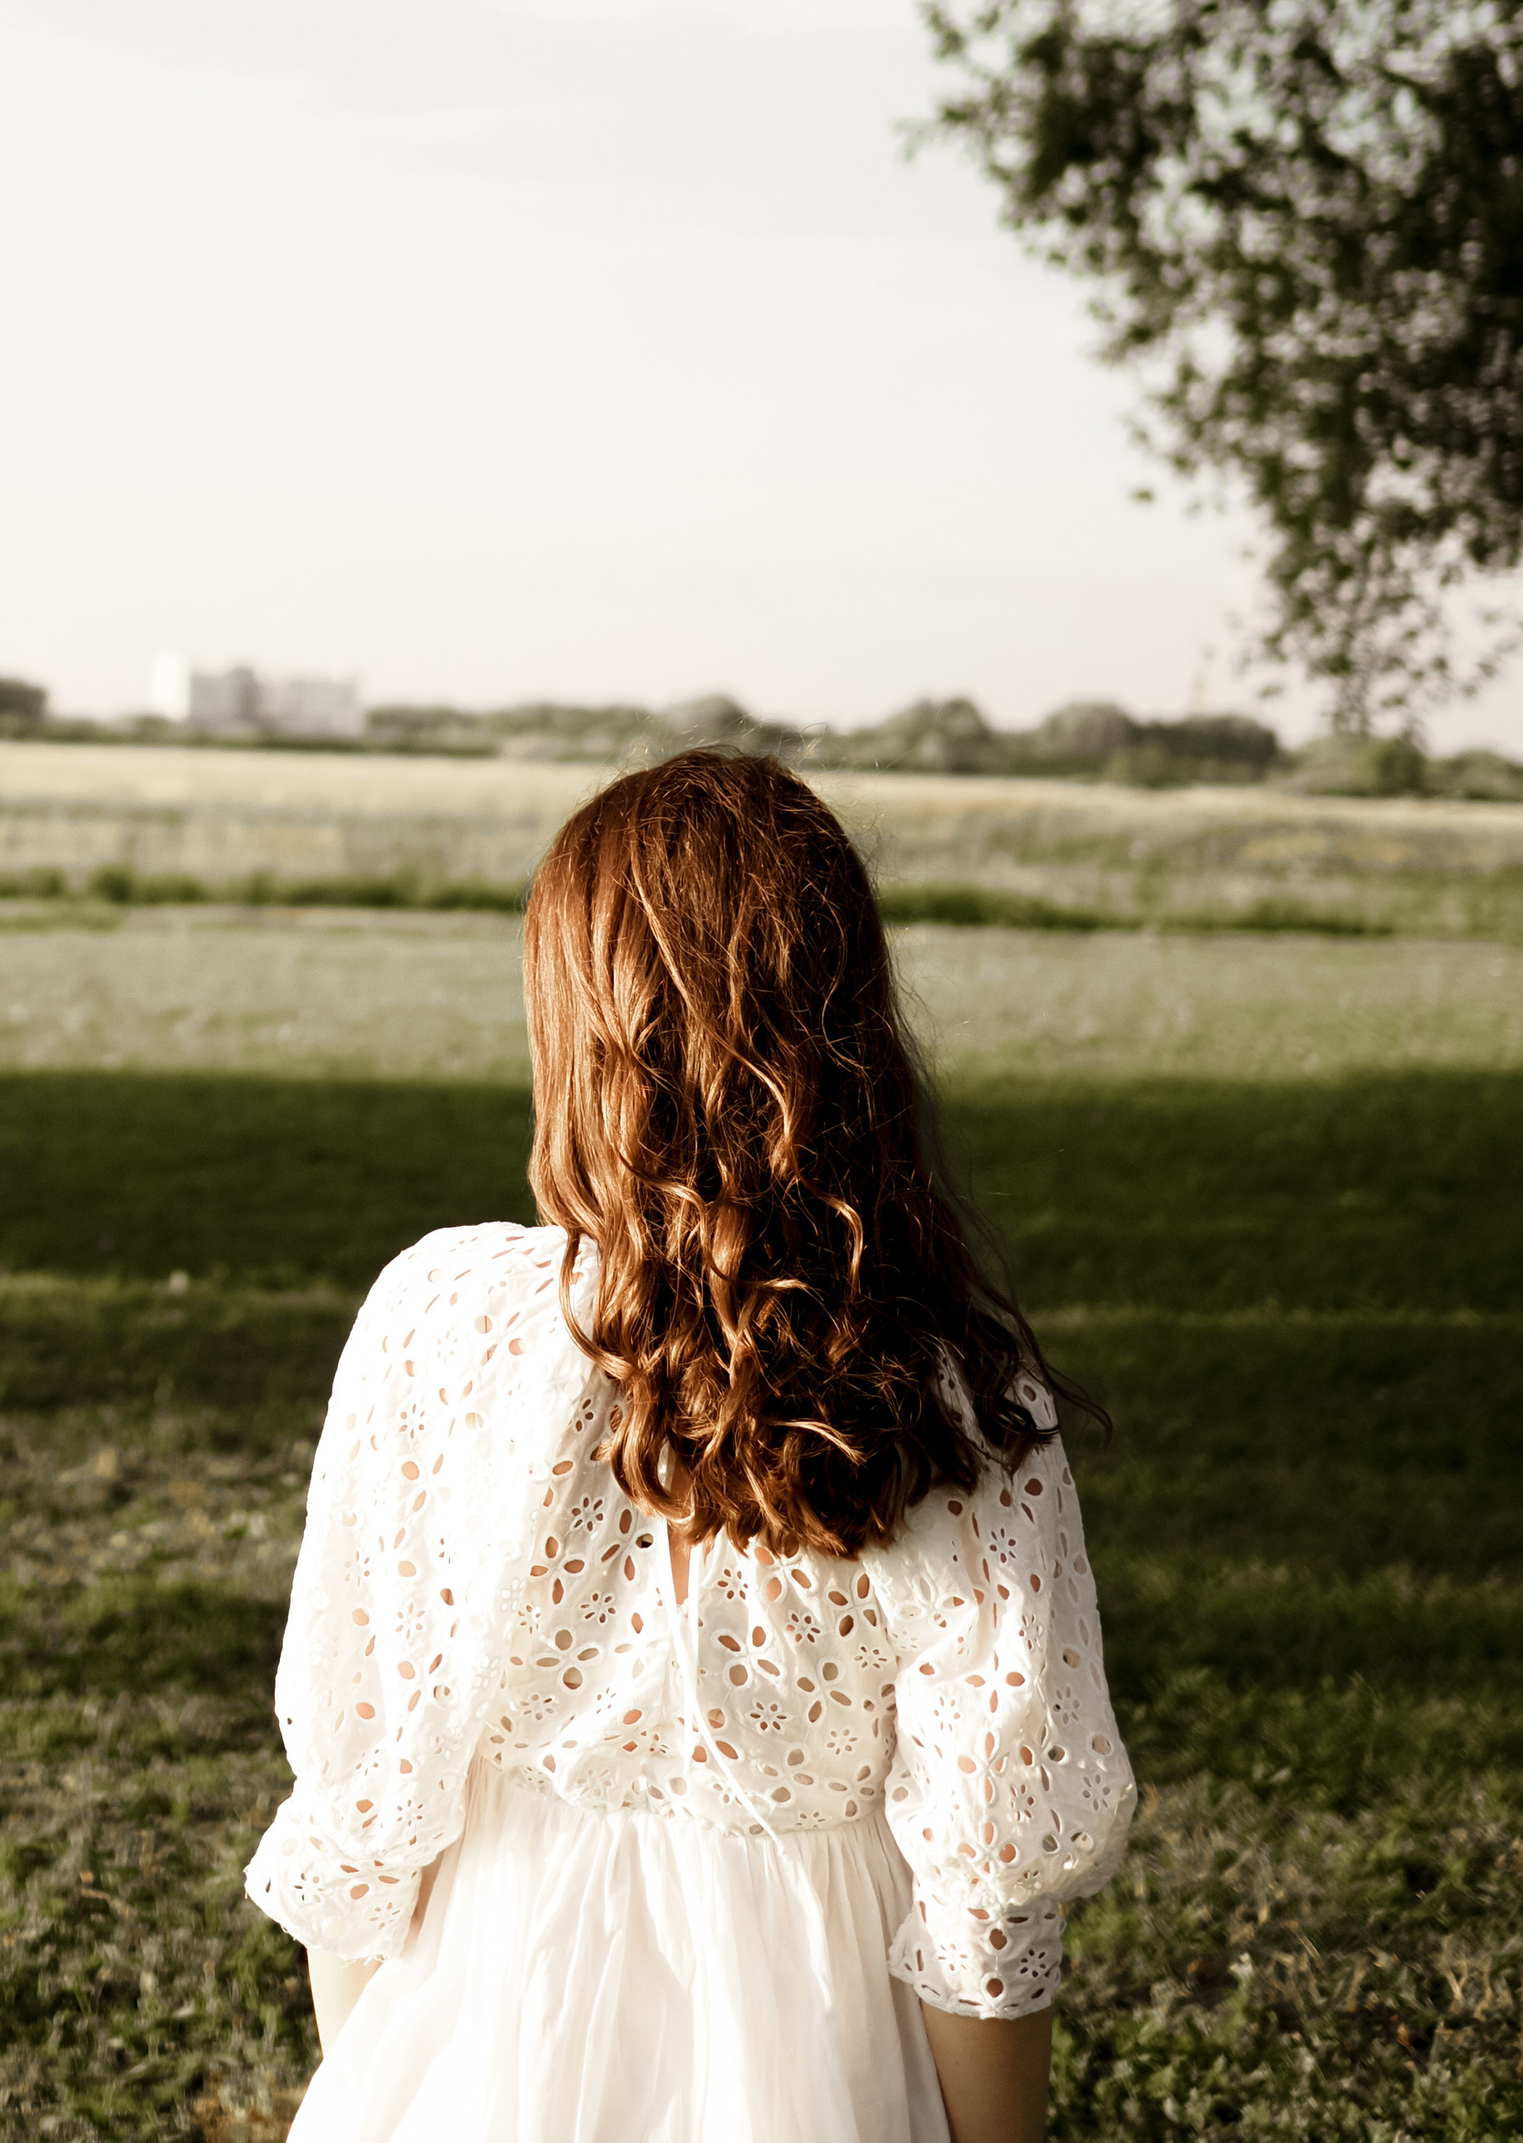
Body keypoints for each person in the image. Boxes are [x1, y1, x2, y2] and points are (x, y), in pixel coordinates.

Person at [246, 749, 1134, 2143]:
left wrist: (375, 2081)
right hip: (818, 2060)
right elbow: (984, 1881)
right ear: (849, 1022)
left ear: (577, 1016)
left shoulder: (438, 1318)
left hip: (476, 2035)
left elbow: (365, 1803)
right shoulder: (946, 1391)